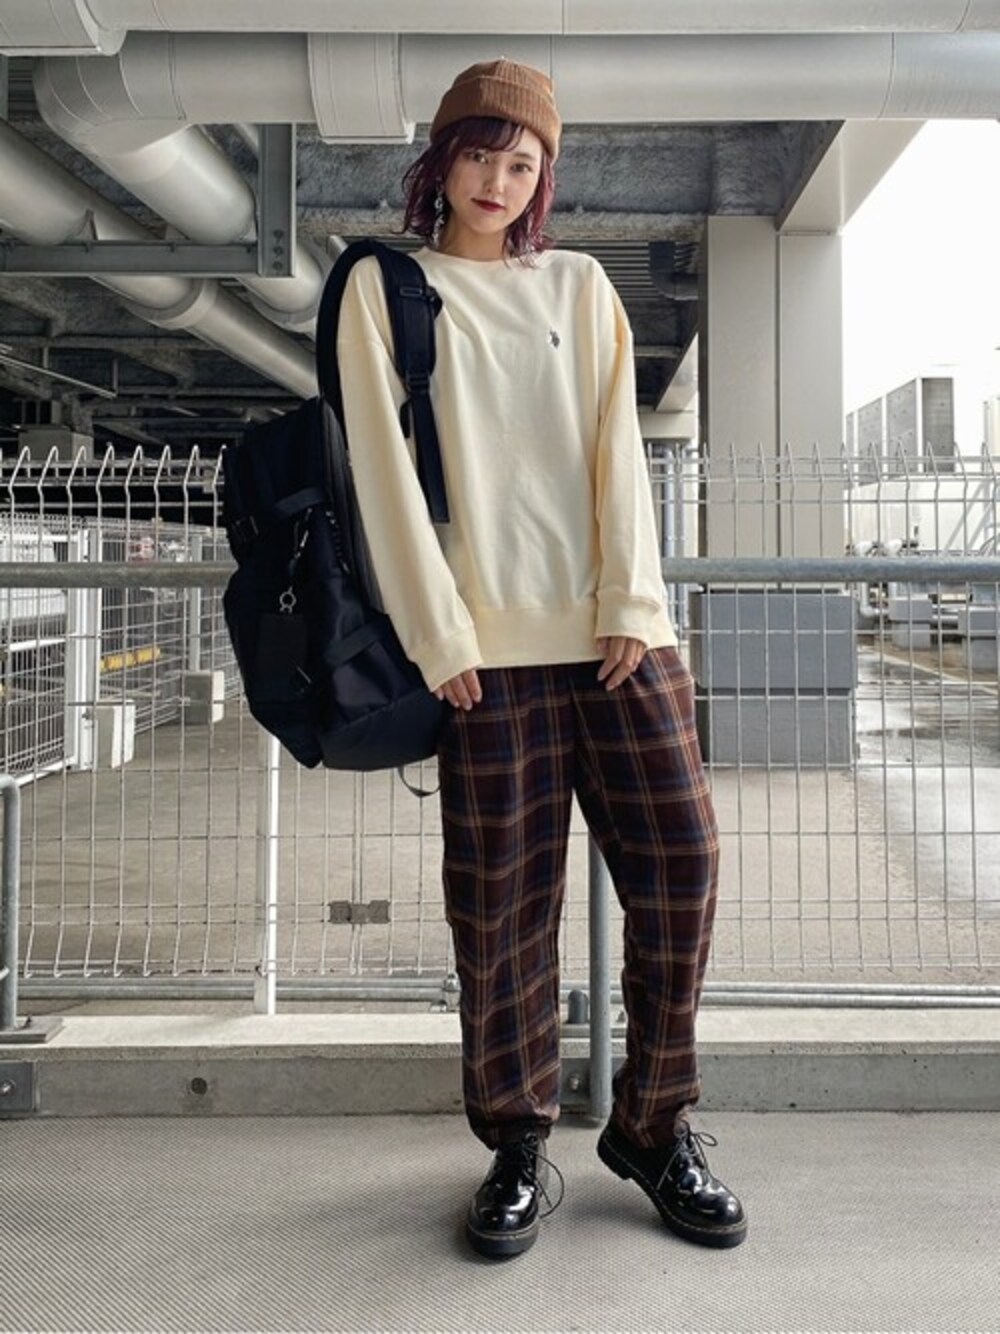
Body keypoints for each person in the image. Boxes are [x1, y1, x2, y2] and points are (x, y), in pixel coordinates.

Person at [336, 57, 747, 1259]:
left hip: (620, 639)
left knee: (682, 860)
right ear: (440, 158)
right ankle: (516, 1141)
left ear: (542, 179)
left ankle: (652, 1125)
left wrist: (630, 597)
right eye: (480, 154)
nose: (498, 181)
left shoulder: (578, 283)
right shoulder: (385, 288)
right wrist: (437, 633)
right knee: (502, 909)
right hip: (486, 655)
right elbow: (379, 473)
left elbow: (617, 444)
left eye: (523, 164)